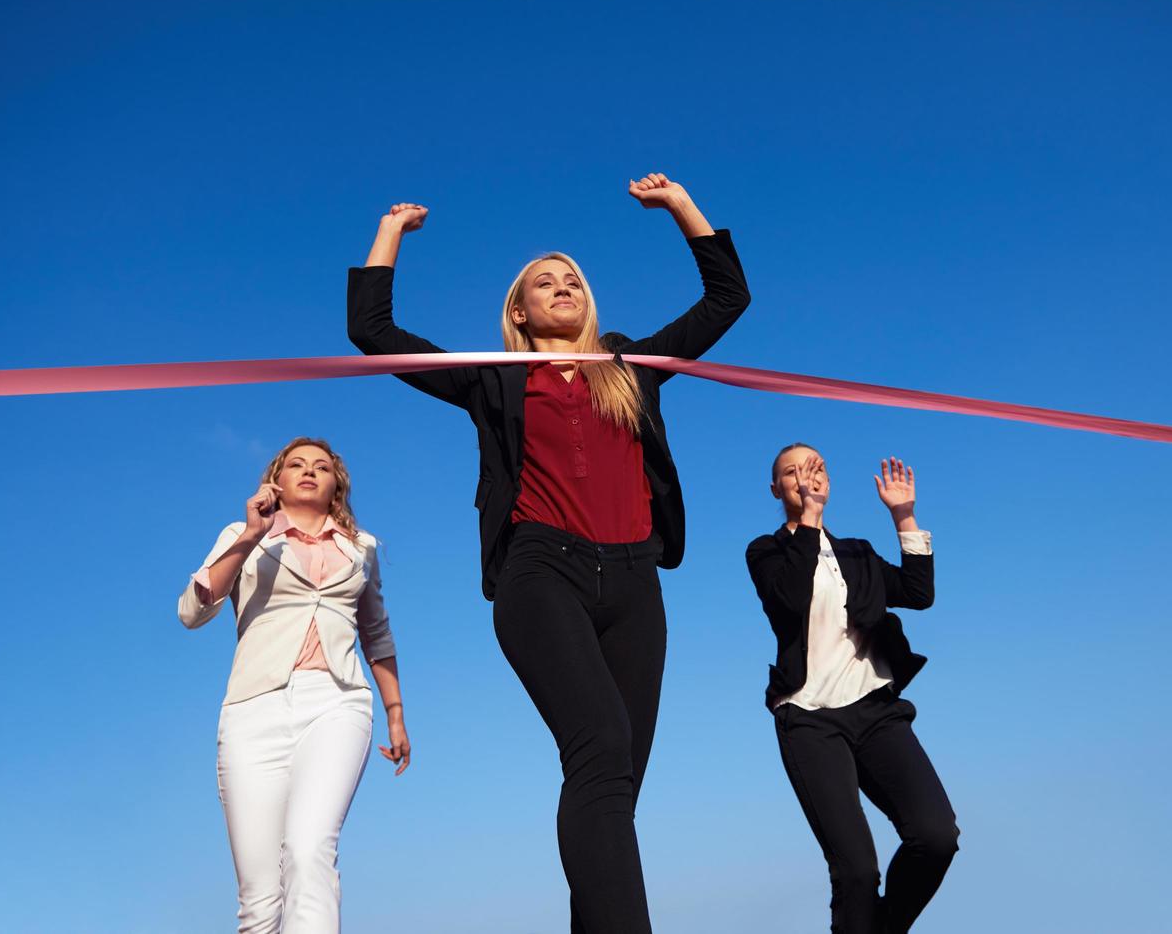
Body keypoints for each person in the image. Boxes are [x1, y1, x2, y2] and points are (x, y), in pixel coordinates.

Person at [346, 173, 749, 933]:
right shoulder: (492, 380)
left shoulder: (630, 368)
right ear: (519, 311)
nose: (561, 288)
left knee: (613, 784)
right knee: (599, 746)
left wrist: (681, 208)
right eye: (543, 283)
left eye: (571, 281)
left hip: (635, 582)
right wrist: (390, 231)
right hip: (541, 574)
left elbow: (727, 300)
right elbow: (373, 333)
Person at [178, 437, 409, 933]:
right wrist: (249, 538)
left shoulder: (361, 549)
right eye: (297, 465)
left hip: (337, 702)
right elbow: (192, 612)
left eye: (322, 467)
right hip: (253, 709)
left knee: (309, 849)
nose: (309, 472)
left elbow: (376, 632)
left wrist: (395, 711)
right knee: (260, 896)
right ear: (275, 483)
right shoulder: (245, 535)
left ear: (336, 487)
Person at [746, 445, 958, 933]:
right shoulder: (766, 552)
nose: (804, 476)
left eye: (814, 466)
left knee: (936, 835)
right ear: (776, 489)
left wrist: (904, 516)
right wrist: (811, 521)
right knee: (857, 871)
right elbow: (790, 600)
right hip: (810, 721)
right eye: (791, 471)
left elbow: (918, 594)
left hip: (876, 713)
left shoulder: (858, 553)